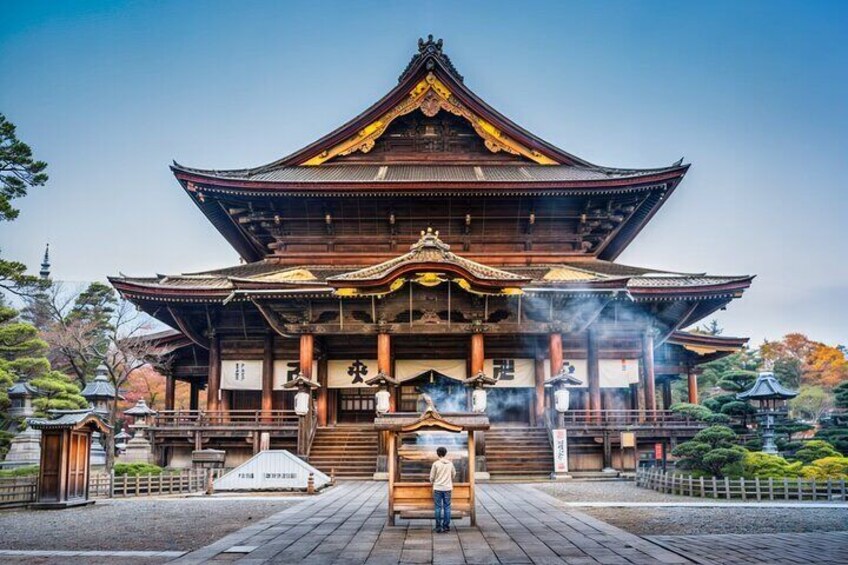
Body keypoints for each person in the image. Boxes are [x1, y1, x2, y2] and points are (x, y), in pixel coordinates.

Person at [429, 446, 456, 533]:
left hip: (437, 487)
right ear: (445, 453)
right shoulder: (450, 463)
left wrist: (432, 482)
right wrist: (449, 479)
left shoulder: (436, 464)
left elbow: (432, 477)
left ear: (438, 454)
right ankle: (446, 526)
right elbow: (454, 474)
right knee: (447, 507)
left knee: (438, 507)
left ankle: (438, 527)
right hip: (447, 488)